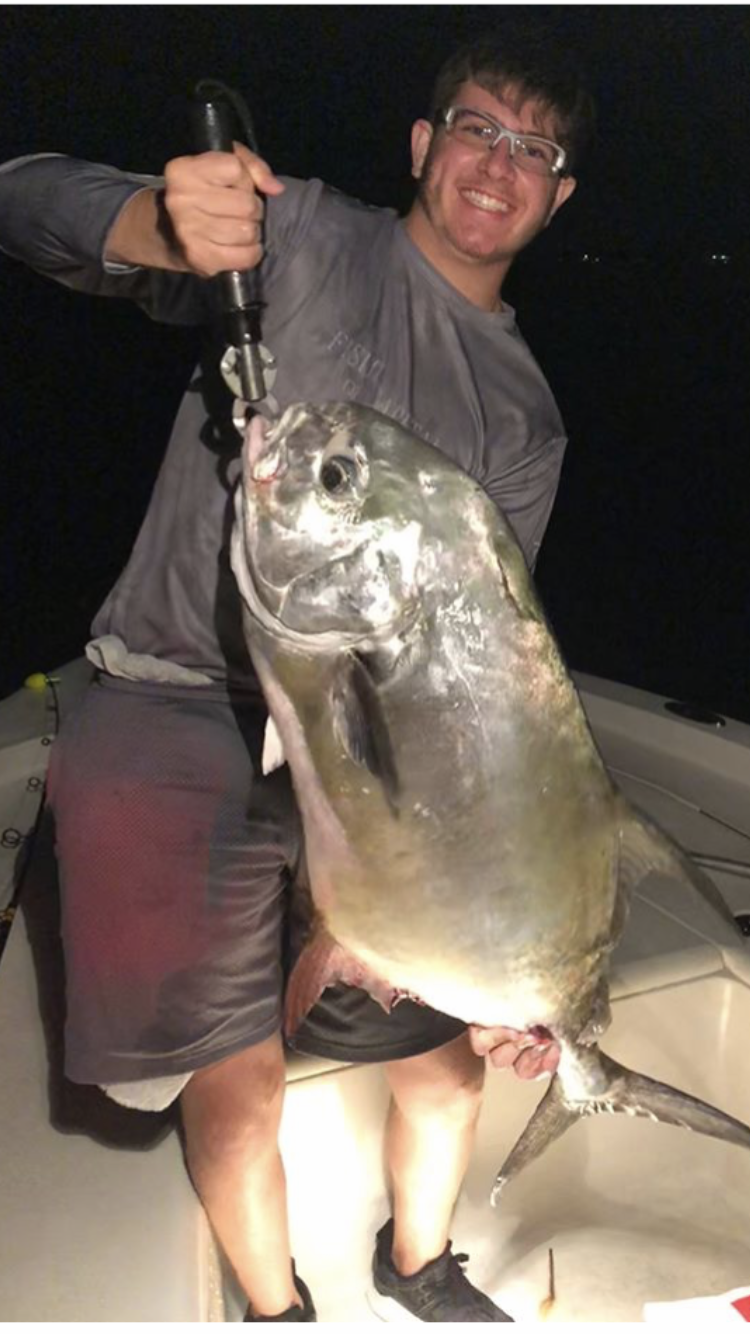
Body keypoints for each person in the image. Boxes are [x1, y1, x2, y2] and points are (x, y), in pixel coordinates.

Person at [0, 28, 594, 1323]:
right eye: (478, 129)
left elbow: (475, 667)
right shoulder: (312, 236)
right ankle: (275, 1308)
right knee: (239, 1082)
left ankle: (417, 1260)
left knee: (446, 1074)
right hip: (176, 691)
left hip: (365, 742)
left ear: (556, 195)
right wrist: (154, 225)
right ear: (423, 147)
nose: (500, 162)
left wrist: (494, 961)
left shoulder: (526, 417)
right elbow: (20, 197)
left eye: (533, 148)